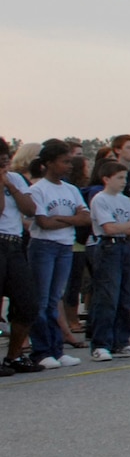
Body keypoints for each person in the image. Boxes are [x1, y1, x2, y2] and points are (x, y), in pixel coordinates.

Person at [24, 144, 90, 369]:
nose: (68, 166)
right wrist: (70, 218)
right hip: (44, 246)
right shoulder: (38, 190)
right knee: (41, 300)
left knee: (54, 299)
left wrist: (62, 220)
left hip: (64, 246)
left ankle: (57, 349)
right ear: (49, 163)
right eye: (64, 161)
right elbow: (43, 222)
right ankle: (42, 351)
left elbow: (84, 218)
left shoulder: (71, 189)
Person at [87, 158, 130, 360]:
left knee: (125, 296)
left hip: (124, 246)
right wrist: (123, 226)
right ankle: (101, 343)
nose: (123, 181)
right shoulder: (100, 199)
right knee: (107, 296)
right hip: (108, 246)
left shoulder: (125, 200)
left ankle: (121, 341)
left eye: (124, 177)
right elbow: (108, 228)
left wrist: (123, 227)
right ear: (106, 179)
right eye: (119, 178)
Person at [0, 140, 34, 374]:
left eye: (6, 157)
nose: (5, 162)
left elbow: (30, 209)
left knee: (27, 302)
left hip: (14, 244)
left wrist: (10, 185)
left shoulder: (16, 179)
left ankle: (14, 356)